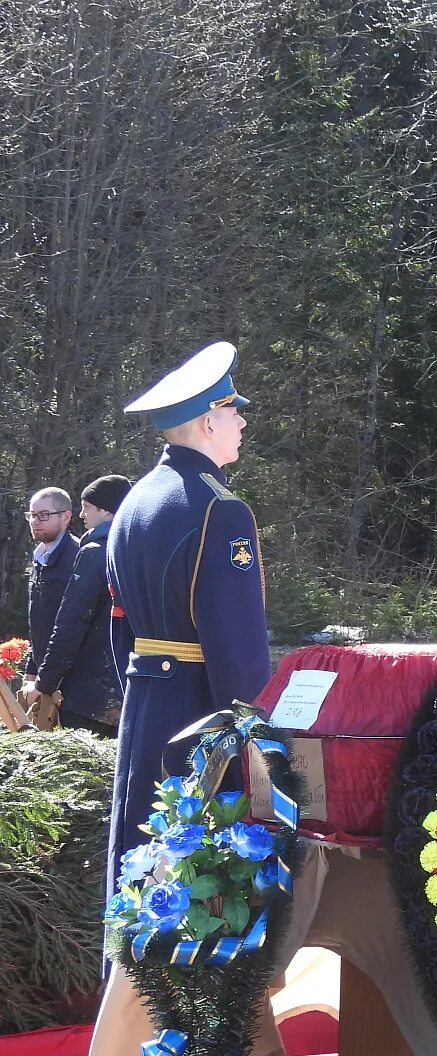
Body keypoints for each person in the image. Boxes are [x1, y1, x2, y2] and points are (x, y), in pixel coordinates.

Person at [108, 343, 270, 896]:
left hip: (144, 702)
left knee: (140, 870)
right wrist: (256, 736)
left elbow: (120, 625)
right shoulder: (219, 508)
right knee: (196, 883)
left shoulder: (134, 502)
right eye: (233, 411)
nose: (242, 421)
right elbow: (238, 644)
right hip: (198, 715)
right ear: (207, 422)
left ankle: (129, 982)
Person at [26, 475, 132, 734]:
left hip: (88, 695)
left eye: (87, 506)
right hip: (130, 687)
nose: (82, 514)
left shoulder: (93, 553)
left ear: (105, 509)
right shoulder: (137, 550)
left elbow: (71, 623)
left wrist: (45, 682)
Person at [23, 487, 77, 693]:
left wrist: (46, 678)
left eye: (43, 515)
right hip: (44, 673)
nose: (35, 521)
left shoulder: (77, 558)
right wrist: (32, 667)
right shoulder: (39, 558)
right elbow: (39, 620)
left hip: (69, 678)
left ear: (66, 517)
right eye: (32, 515)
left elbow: (71, 626)